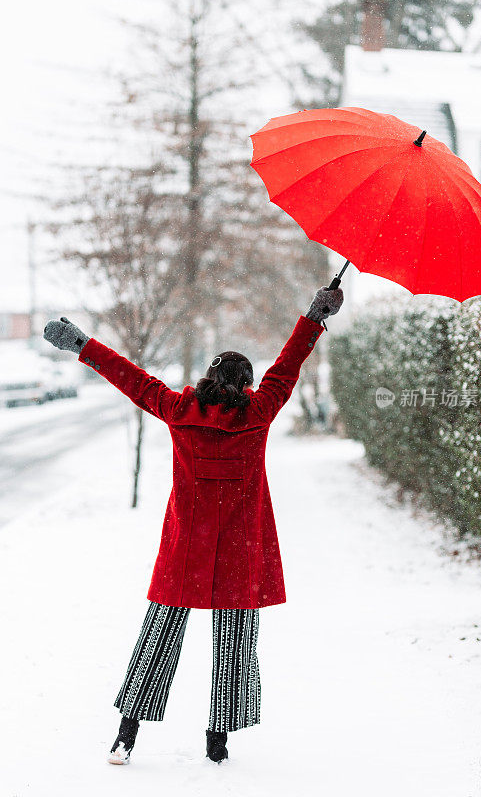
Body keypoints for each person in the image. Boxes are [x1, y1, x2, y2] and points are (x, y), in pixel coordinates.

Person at [43, 285, 343, 765]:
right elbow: (287, 368)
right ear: (246, 385)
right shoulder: (259, 413)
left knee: (156, 641)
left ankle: (126, 734)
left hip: (187, 547)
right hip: (240, 548)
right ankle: (217, 742)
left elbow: (133, 379)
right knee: (235, 648)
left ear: (209, 378)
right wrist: (313, 316)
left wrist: (83, 344)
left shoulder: (180, 411)